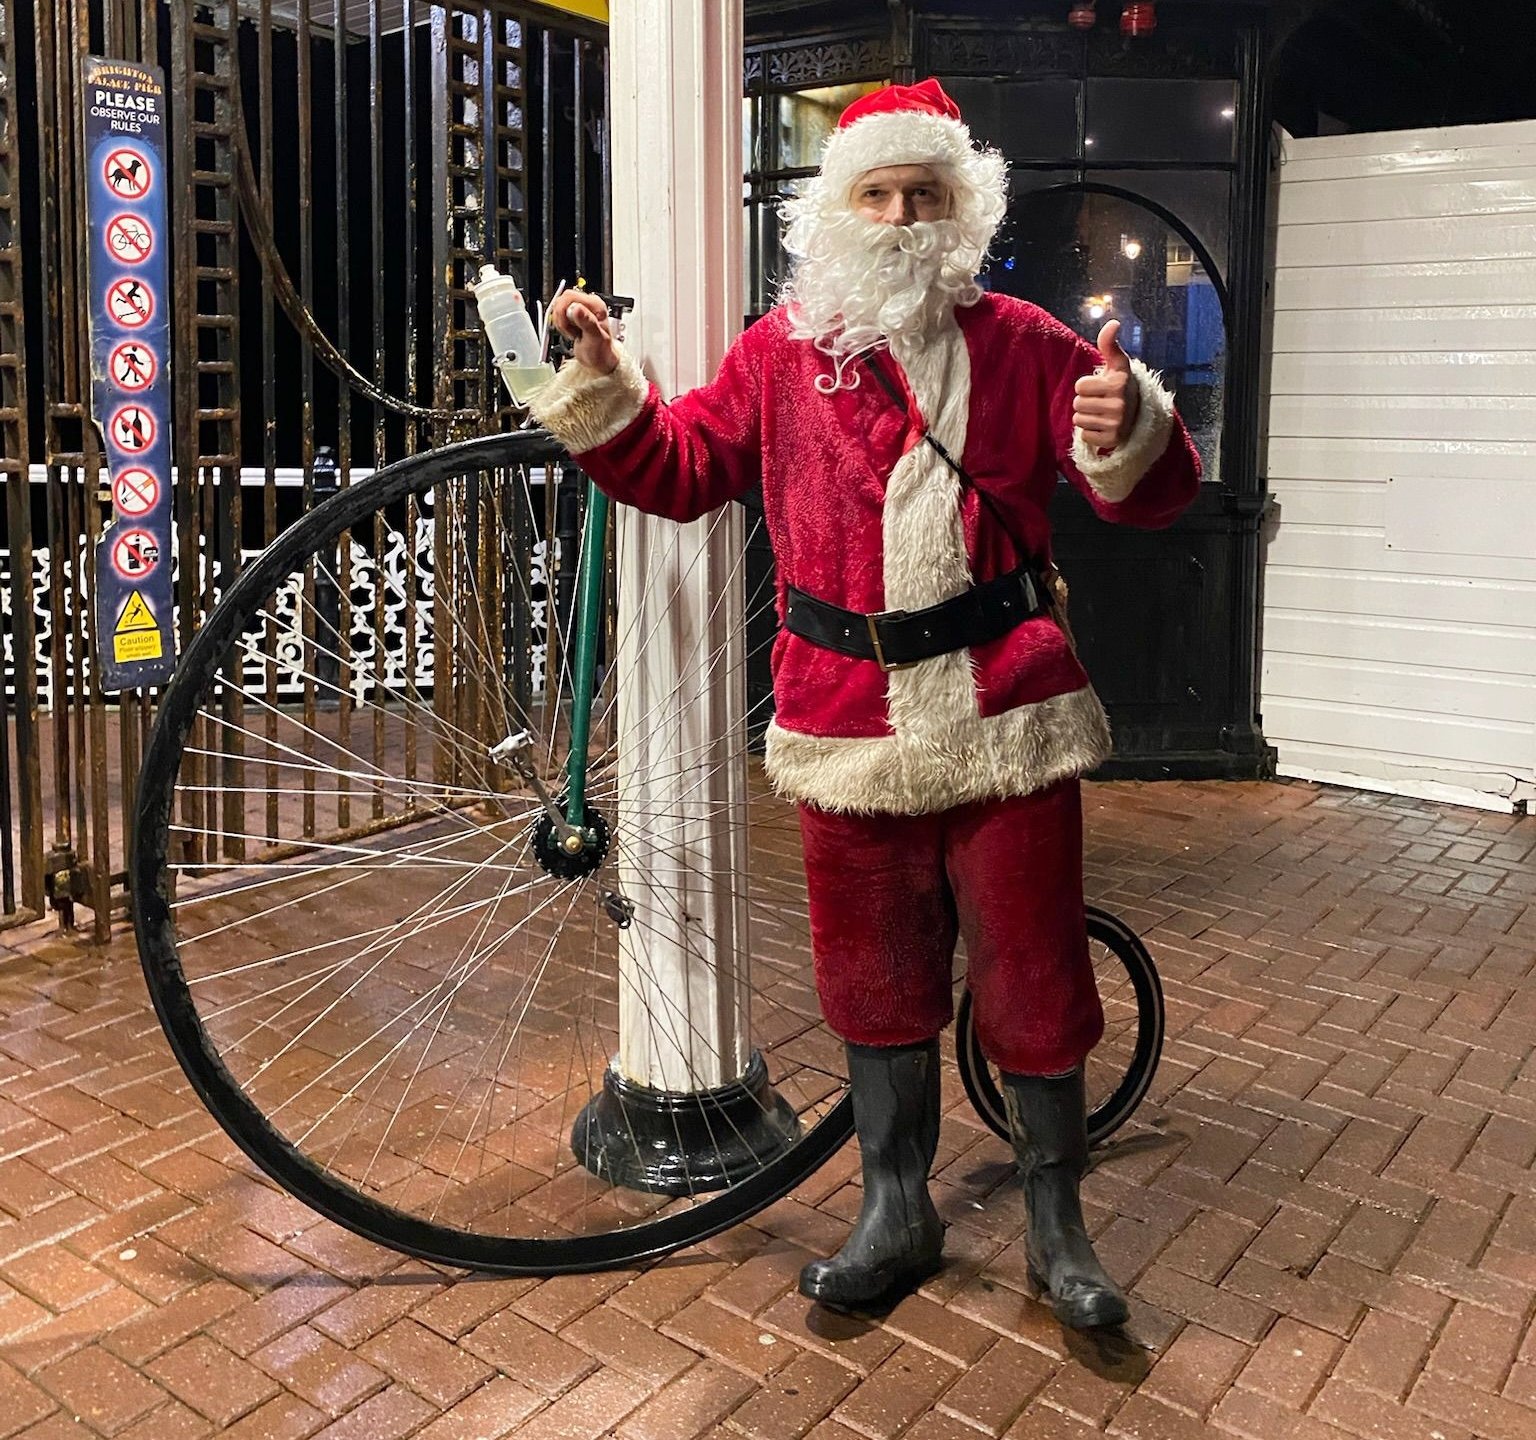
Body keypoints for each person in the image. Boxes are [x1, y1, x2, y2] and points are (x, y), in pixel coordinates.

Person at [530, 78, 1200, 1330]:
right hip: (847, 721)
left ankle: (1060, 1226)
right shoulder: (778, 358)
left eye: (925, 194)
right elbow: (675, 471)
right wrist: (607, 389)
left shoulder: (1027, 344)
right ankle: (897, 1207)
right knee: (873, 980)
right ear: (838, 208)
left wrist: (1134, 429)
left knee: (1033, 978)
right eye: (878, 193)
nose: (901, 216)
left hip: (1009, 717)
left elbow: (1144, 500)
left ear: (962, 209)